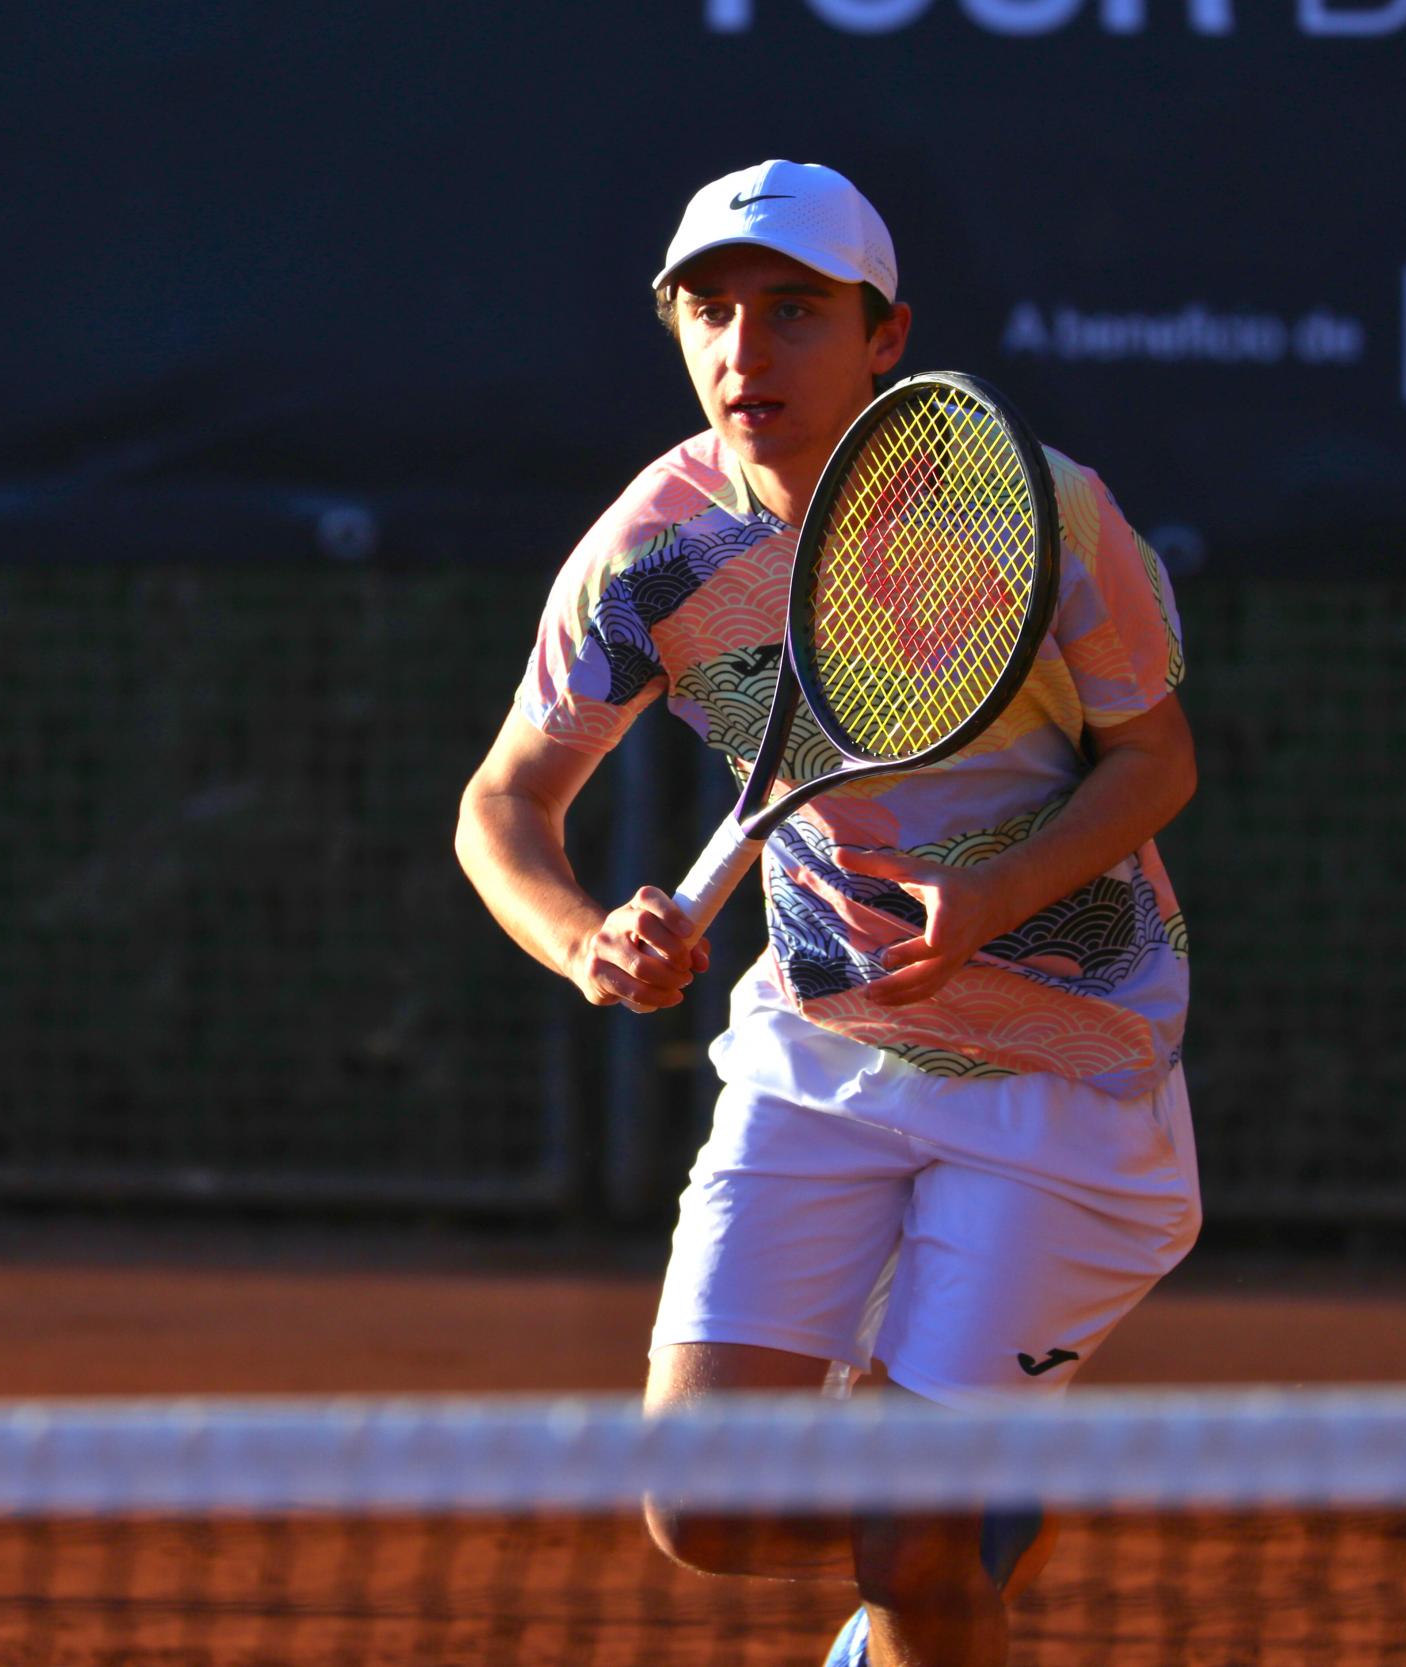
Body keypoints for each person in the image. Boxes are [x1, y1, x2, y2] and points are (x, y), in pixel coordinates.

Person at [454, 159, 1201, 1667]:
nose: (747, 349)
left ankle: (938, 1527)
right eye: (711, 311)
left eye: (795, 310)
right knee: (704, 1511)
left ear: (884, 337)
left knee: (911, 1556)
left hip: (1063, 1077)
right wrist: (584, 935)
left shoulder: (1040, 509)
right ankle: (970, 1506)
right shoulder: (652, 552)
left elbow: (1157, 760)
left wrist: (995, 894)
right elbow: (504, 805)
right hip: (817, 1061)